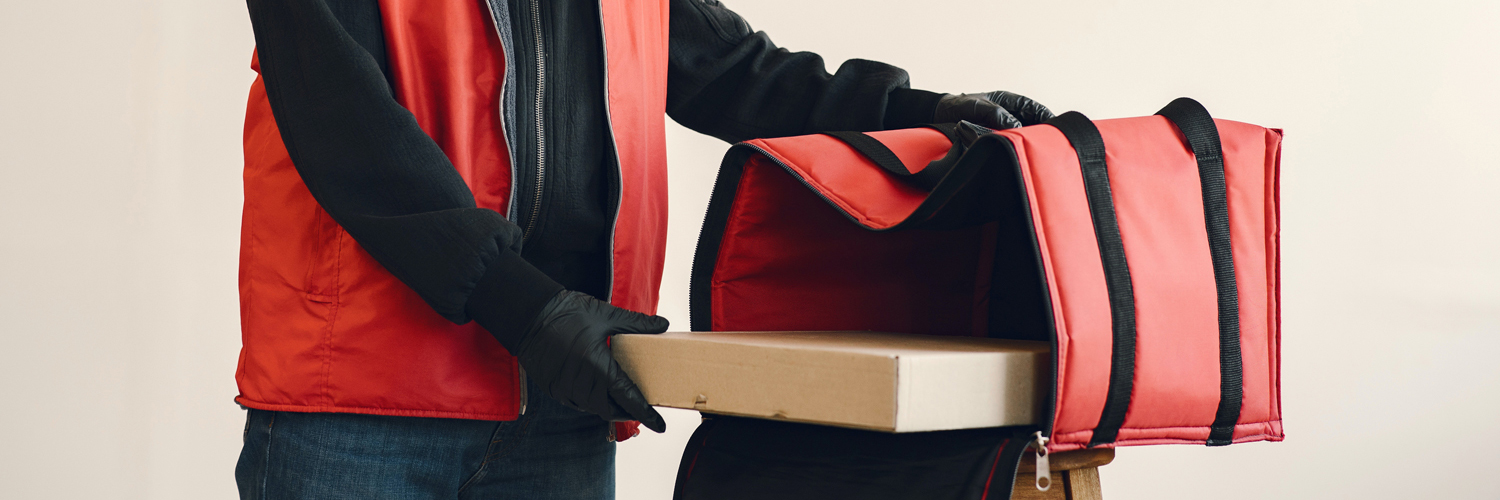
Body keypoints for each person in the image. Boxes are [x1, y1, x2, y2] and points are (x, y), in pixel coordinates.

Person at [234, 0, 1054, 498]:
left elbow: (733, 71)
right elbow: (349, 131)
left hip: (565, 397)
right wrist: (528, 307)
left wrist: (919, 111)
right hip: (361, 407)